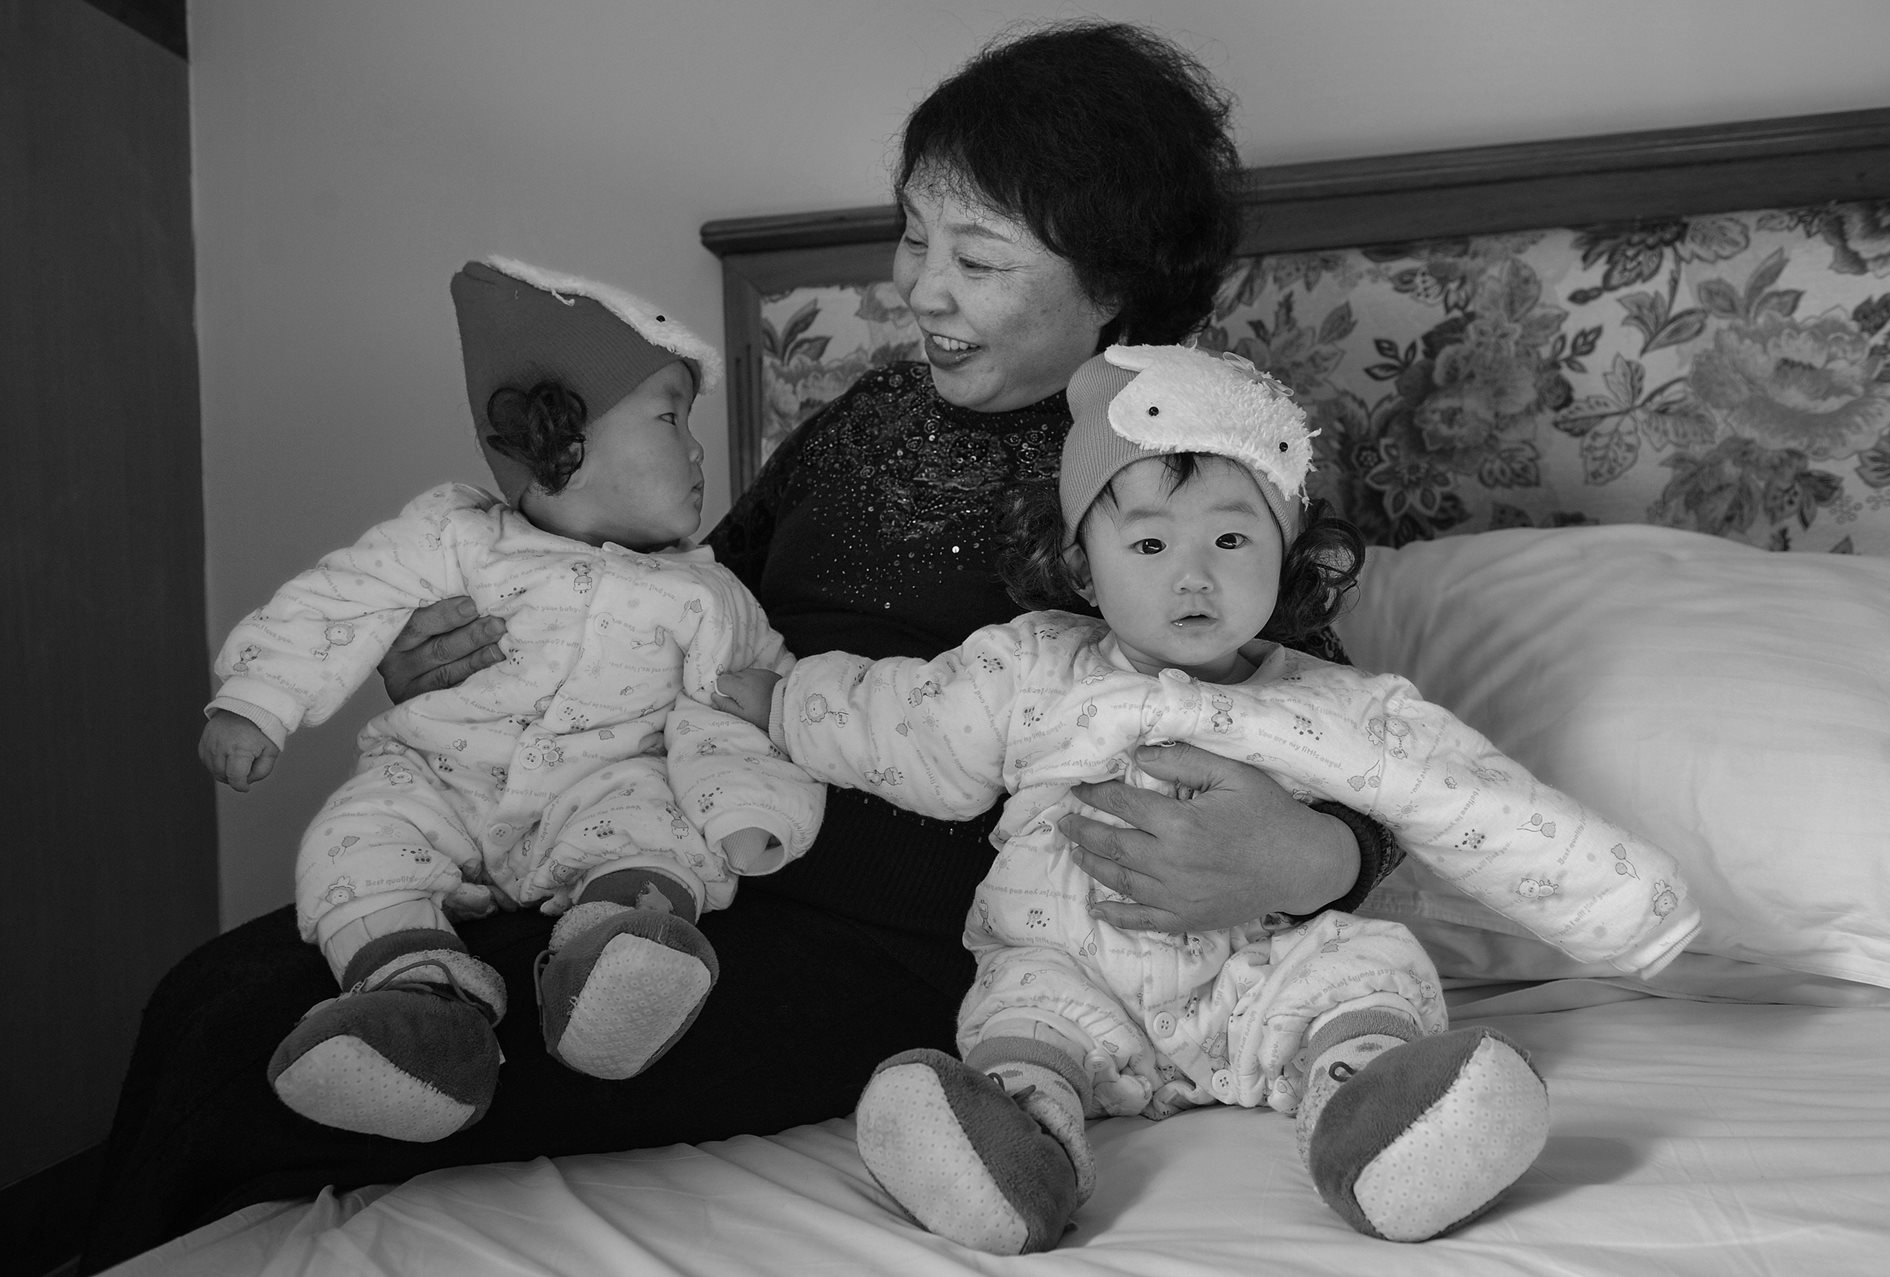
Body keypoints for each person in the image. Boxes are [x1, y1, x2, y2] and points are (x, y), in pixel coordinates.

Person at [82, 22, 1399, 1270]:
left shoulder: (1187, 465)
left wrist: (1312, 851)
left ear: (1111, 286)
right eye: (913, 232)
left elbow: (1338, 747)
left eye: (976, 258)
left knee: (244, 1049)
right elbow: (690, 602)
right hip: (672, 843)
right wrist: (460, 650)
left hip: (904, 946)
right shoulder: (877, 411)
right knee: (215, 993)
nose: (913, 287)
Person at [714, 344, 1699, 1252]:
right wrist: (779, 697)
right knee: (1019, 1000)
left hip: (1258, 976)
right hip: (1075, 973)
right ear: (1080, 565)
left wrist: (1633, 909)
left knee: (1360, 964)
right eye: (1147, 545)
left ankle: (1378, 1123)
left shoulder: (1336, 705)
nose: (1193, 576)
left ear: (1289, 554)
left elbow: (1474, 800)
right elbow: (902, 726)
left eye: (1232, 537)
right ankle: (1018, 1140)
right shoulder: (1026, 669)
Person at [196, 256, 824, 1143]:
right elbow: (343, 598)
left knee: (658, 819)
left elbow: (748, 709)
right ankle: (412, 1001)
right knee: (354, 837)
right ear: (560, 441)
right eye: (669, 418)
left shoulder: (705, 596)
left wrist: (752, 814)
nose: (695, 450)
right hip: (441, 782)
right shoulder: (454, 536)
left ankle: (618, 955)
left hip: (596, 796)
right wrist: (256, 698)